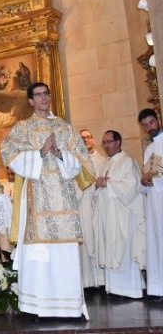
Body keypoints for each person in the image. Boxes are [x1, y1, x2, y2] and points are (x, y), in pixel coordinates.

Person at [1, 82, 93, 319]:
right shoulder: (23, 128)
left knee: (64, 249)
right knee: (39, 250)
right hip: (37, 199)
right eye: (38, 95)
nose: (43, 98)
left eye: (46, 94)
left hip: (63, 199)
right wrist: (39, 153)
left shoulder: (64, 127)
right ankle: (38, 305)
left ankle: (69, 306)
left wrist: (61, 154)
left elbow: (83, 158)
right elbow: (8, 153)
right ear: (31, 101)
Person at [93, 130, 145, 298]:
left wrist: (108, 184)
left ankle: (129, 290)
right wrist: (98, 185)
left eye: (109, 142)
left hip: (122, 215)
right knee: (110, 247)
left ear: (118, 142)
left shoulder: (128, 161)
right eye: (104, 142)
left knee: (124, 249)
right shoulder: (104, 164)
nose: (106, 146)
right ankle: (114, 288)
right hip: (107, 215)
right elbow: (97, 190)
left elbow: (132, 187)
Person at [77, 129, 106, 288]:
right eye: (82, 138)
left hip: (99, 206)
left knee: (99, 238)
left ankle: (102, 280)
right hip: (83, 206)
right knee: (86, 242)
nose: (86, 140)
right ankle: (87, 282)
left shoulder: (103, 161)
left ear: (93, 140)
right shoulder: (76, 162)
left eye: (88, 137)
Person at [138, 107, 163, 297]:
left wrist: (153, 180)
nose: (150, 128)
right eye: (145, 126)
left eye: (152, 123)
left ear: (158, 119)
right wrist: (144, 180)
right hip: (155, 201)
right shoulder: (149, 148)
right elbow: (148, 174)